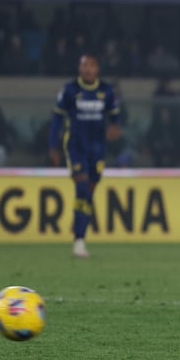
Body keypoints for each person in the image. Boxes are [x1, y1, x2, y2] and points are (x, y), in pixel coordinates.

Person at [48, 54, 122, 258]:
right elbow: (57, 118)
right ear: (79, 69)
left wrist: (116, 128)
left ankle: (79, 235)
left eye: (90, 66)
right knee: (82, 188)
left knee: (87, 195)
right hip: (75, 147)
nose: (87, 69)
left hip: (97, 150)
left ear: (97, 69)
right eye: (83, 65)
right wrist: (52, 145)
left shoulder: (106, 91)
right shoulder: (70, 90)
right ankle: (79, 239)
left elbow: (116, 116)